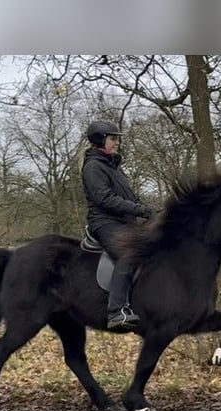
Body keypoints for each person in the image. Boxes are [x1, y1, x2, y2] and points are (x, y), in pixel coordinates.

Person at [81, 119, 154, 332]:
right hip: (104, 222)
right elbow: (105, 199)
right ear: (100, 140)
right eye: (113, 139)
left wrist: (148, 209)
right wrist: (139, 210)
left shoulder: (113, 166)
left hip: (123, 222)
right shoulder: (93, 167)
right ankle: (117, 311)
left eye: (117, 139)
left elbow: (127, 196)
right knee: (129, 255)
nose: (117, 143)